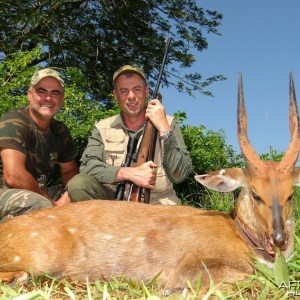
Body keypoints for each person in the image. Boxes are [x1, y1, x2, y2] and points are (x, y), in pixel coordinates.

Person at [67, 65, 193, 205]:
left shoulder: (168, 123)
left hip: (159, 205)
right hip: (112, 203)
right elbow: (87, 166)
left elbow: (180, 175)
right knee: (78, 184)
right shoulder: (102, 127)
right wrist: (128, 173)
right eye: (123, 91)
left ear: (146, 92)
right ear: (115, 95)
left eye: (136, 89)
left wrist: (163, 128)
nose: (131, 96)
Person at [0, 68, 79, 221]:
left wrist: (68, 195)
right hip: (5, 190)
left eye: (55, 93)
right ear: (29, 95)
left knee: (82, 194)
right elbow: (14, 176)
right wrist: (54, 204)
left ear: (62, 99)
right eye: (41, 91)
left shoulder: (60, 130)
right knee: (39, 206)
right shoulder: (14, 121)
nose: (48, 98)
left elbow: (70, 171)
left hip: (38, 191)